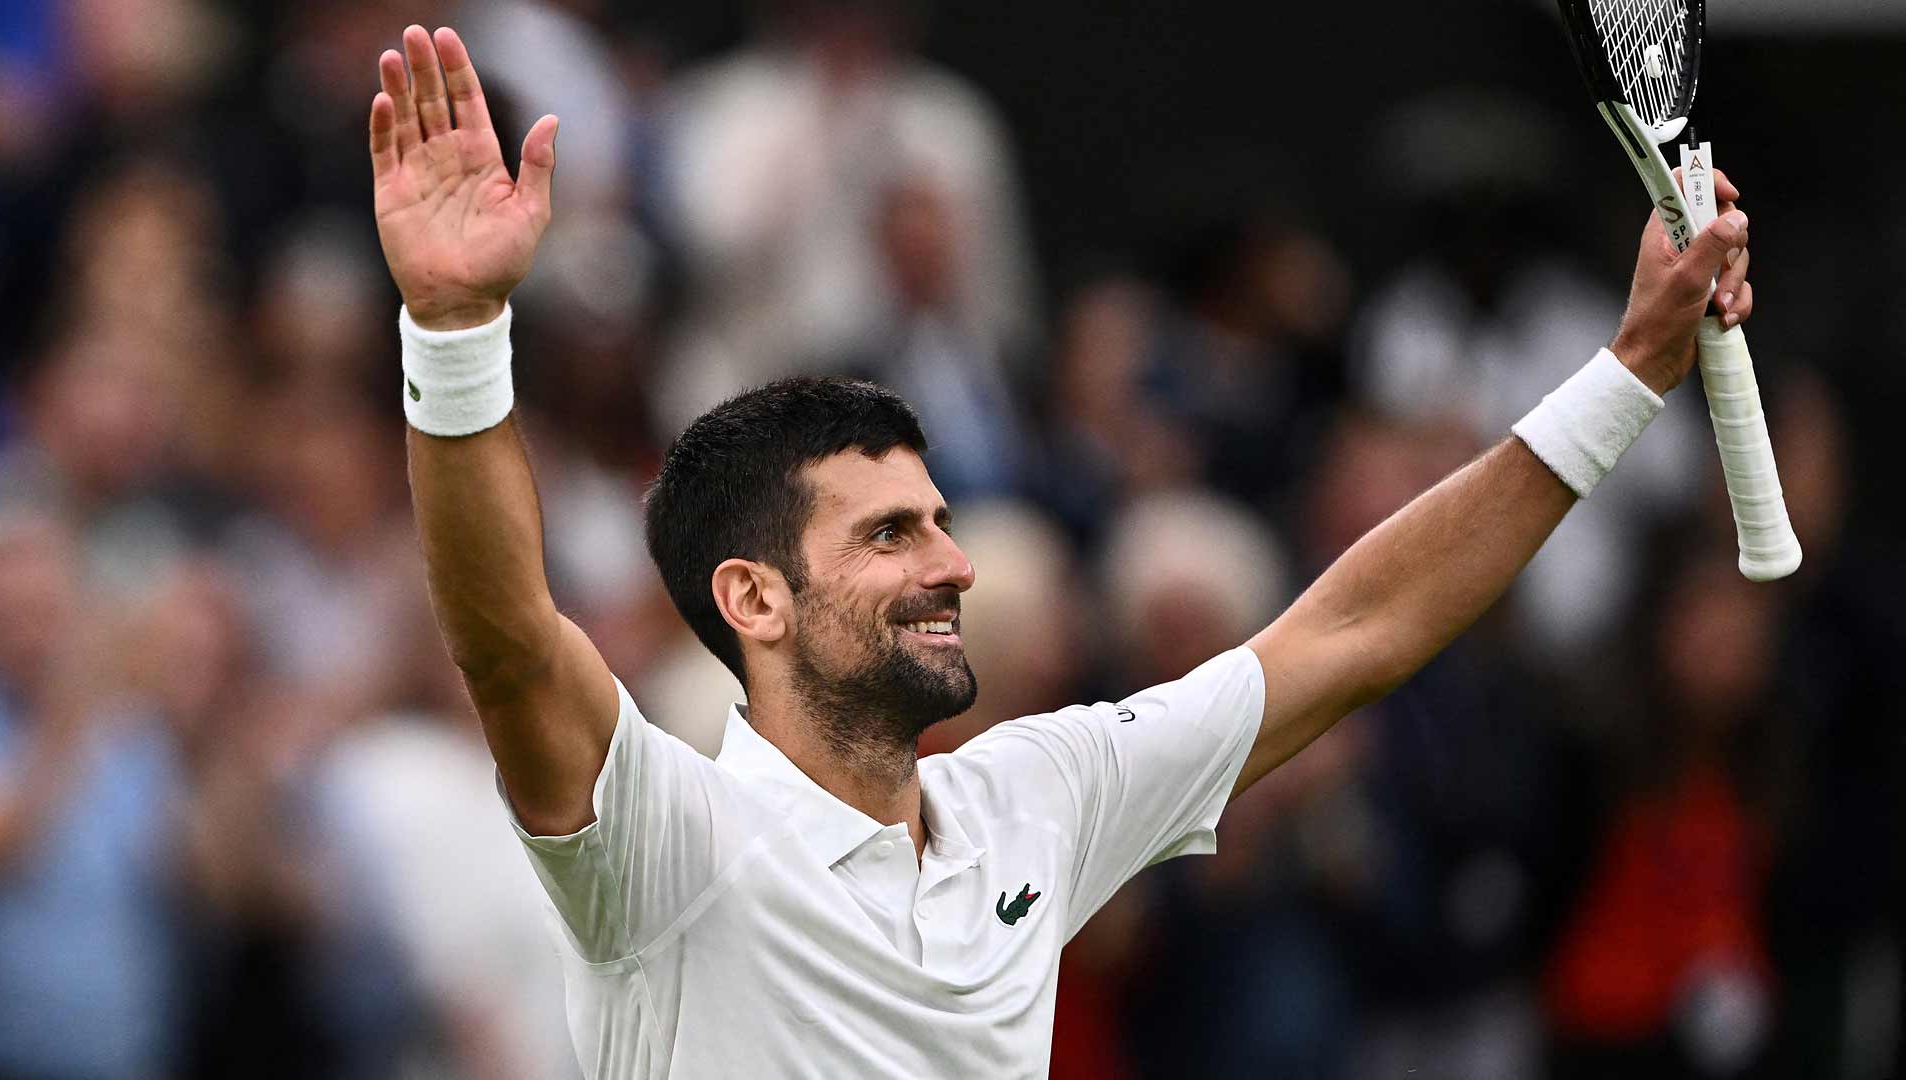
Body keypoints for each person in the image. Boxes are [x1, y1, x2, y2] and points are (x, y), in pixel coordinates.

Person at [366, 24, 1756, 1078]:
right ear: (755, 600)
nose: (954, 565)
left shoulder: (1034, 800)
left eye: (945, 523)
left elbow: (1352, 631)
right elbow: (504, 638)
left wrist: (1631, 369)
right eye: (893, 534)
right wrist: (452, 331)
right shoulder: (666, 843)